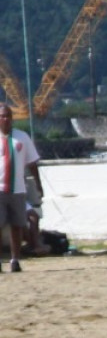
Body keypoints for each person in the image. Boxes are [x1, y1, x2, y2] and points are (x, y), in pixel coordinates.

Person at [0, 104, 43, 272]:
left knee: (17, 225)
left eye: (8, 116)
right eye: (2, 116)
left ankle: (15, 259)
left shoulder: (22, 137)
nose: (6, 119)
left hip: (17, 189)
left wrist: (39, 185)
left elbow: (32, 163)